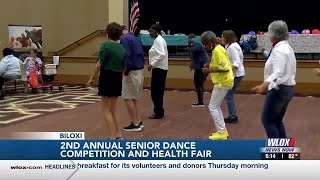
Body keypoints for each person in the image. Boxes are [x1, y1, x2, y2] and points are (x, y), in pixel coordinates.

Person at [252, 20, 296, 138]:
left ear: (274, 34)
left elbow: (278, 71)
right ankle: (283, 150)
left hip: (279, 90)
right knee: (276, 120)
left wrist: (264, 85)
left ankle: (276, 152)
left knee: (268, 121)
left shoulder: (279, 50)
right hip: (287, 89)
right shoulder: (286, 48)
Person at [201, 31, 234, 140]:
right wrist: (210, 64)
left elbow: (225, 68)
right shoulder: (218, 49)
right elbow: (219, 64)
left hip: (223, 82)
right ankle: (222, 131)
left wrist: (209, 69)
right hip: (223, 81)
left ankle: (221, 132)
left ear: (210, 42)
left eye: (205, 44)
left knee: (213, 106)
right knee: (215, 106)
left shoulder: (217, 51)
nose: (204, 47)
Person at [96, 22, 125, 140]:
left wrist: (91, 77)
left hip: (107, 76)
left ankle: (111, 136)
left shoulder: (106, 45)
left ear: (108, 33)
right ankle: (119, 134)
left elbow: (99, 63)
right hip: (117, 77)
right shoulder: (121, 48)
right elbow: (123, 66)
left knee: (106, 110)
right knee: (114, 109)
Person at [120, 25, 145, 131]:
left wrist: (126, 71)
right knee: (133, 97)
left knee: (127, 97)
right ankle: (138, 120)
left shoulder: (124, 39)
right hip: (139, 70)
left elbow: (127, 55)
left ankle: (135, 124)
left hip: (131, 71)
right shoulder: (136, 38)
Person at [221, 30, 245, 123]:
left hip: (236, 74)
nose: (221, 38)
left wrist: (224, 70)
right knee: (229, 95)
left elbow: (236, 63)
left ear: (227, 37)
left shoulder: (232, 47)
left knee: (228, 95)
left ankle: (233, 116)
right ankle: (232, 116)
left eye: (223, 36)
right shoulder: (231, 45)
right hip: (237, 74)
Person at [147, 24, 168, 119]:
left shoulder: (159, 40)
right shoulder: (158, 40)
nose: (150, 33)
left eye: (151, 31)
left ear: (157, 31)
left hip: (159, 69)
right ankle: (159, 111)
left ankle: (158, 112)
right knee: (158, 92)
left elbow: (162, 54)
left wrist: (152, 64)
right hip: (160, 68)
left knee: (155, 92)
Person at [188, 34, 209, 107]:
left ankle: (201, 102)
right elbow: (194, 58)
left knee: (198, 83)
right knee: (199, 84)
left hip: (202, 67)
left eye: (192, 39)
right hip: (201, 67)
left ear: (195, 39)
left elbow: (195, 49)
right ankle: (201, 100)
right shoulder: (193, 46)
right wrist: (192, 66)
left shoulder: (197, 45)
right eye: (190, 39)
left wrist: (189, 48)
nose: (191, 40)